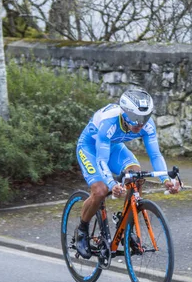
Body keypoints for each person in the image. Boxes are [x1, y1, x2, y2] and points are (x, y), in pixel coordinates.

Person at [74, 88, 180, 259]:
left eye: (145, 118)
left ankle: (126, 225)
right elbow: (101, 160)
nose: (141, 123)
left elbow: (155, 155)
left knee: (136, 178)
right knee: (100, 190)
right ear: (125, 113)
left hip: (114, 148)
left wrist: (165, 179)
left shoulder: (146, 125)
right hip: (91, 149)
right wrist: (112, 184)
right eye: (137, 118)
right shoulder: (109, 122)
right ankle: (82, 231)